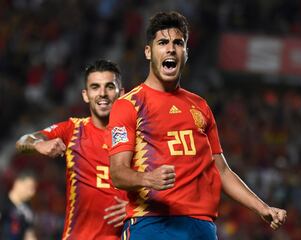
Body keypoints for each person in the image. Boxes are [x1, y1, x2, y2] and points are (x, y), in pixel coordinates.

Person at [107, 11, 287, 240]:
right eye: (162, 42)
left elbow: (221, 170)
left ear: (186, 53)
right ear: (148, 52)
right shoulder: (129, 105)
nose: (170, 49)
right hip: (152, 224)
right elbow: (117, 173)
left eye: (178, 43)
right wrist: (148, 179)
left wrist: (262, 208)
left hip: (202, 228)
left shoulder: (200, 106)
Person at [16, 60, 128, 240]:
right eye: (94, 87)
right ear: (85, 95)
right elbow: (22, 141)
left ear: (121, 94)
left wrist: (136, 208)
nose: (102, 94)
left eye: (109, 87)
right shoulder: (73, 129)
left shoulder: (139, 138)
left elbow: (166, 188)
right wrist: (39, 144)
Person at [0, 170, 37, 240]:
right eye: (29, 187)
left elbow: (29, 234)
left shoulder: (28, 210)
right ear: (17, 183)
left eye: (33, 189)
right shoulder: (2, 201)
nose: (32, 192)